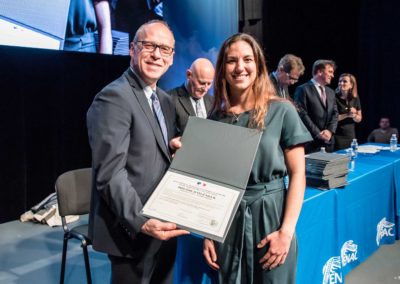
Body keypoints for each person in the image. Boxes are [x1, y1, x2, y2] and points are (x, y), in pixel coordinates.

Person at [202, 33, 312, 284]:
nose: (240, 67)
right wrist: (208, 233)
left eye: (247, 59)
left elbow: (298, 175)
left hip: (271, 219)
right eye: (231, 61)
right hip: (228, 223)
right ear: (222, 68)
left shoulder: (282, 110)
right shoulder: (215, 118)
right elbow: (213, 181)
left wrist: (286, 232)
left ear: (258, 65)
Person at [86, 20, 189, 284]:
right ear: (132, 49)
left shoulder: (164, 100)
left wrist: (172, 147)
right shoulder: (113, 97)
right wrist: (142, 221)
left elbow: (148, 148)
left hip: (163, 224)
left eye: (165, 49)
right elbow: (110, 174)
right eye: (149, 46)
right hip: (132, 230)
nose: (157, 54)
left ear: (171, 58)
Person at [294, 59, 338, 153]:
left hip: (328, 142)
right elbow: (302, 114)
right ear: (319, 72)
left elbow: (335, 114)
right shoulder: (302, 89)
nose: (332, 75)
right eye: (330, 72)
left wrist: (330, 131)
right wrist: (318, 133)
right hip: (311, 143)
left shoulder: (331, 92)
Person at [168, 58, 215, 134]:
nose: (206, 89)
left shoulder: (213, 102)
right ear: (189, 75)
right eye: (202, 83)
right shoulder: (169, 99)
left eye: (209, 84)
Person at [334, 73, 362, 150]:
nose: (341, 83)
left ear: (351, 85)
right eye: (340, 81)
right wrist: (347, 115)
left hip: (350, 135)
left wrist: (354, 115)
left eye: (345, 81)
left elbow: (359, 119)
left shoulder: (355, 97)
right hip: (337, 135)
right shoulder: (333, 97)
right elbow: (333, 118)